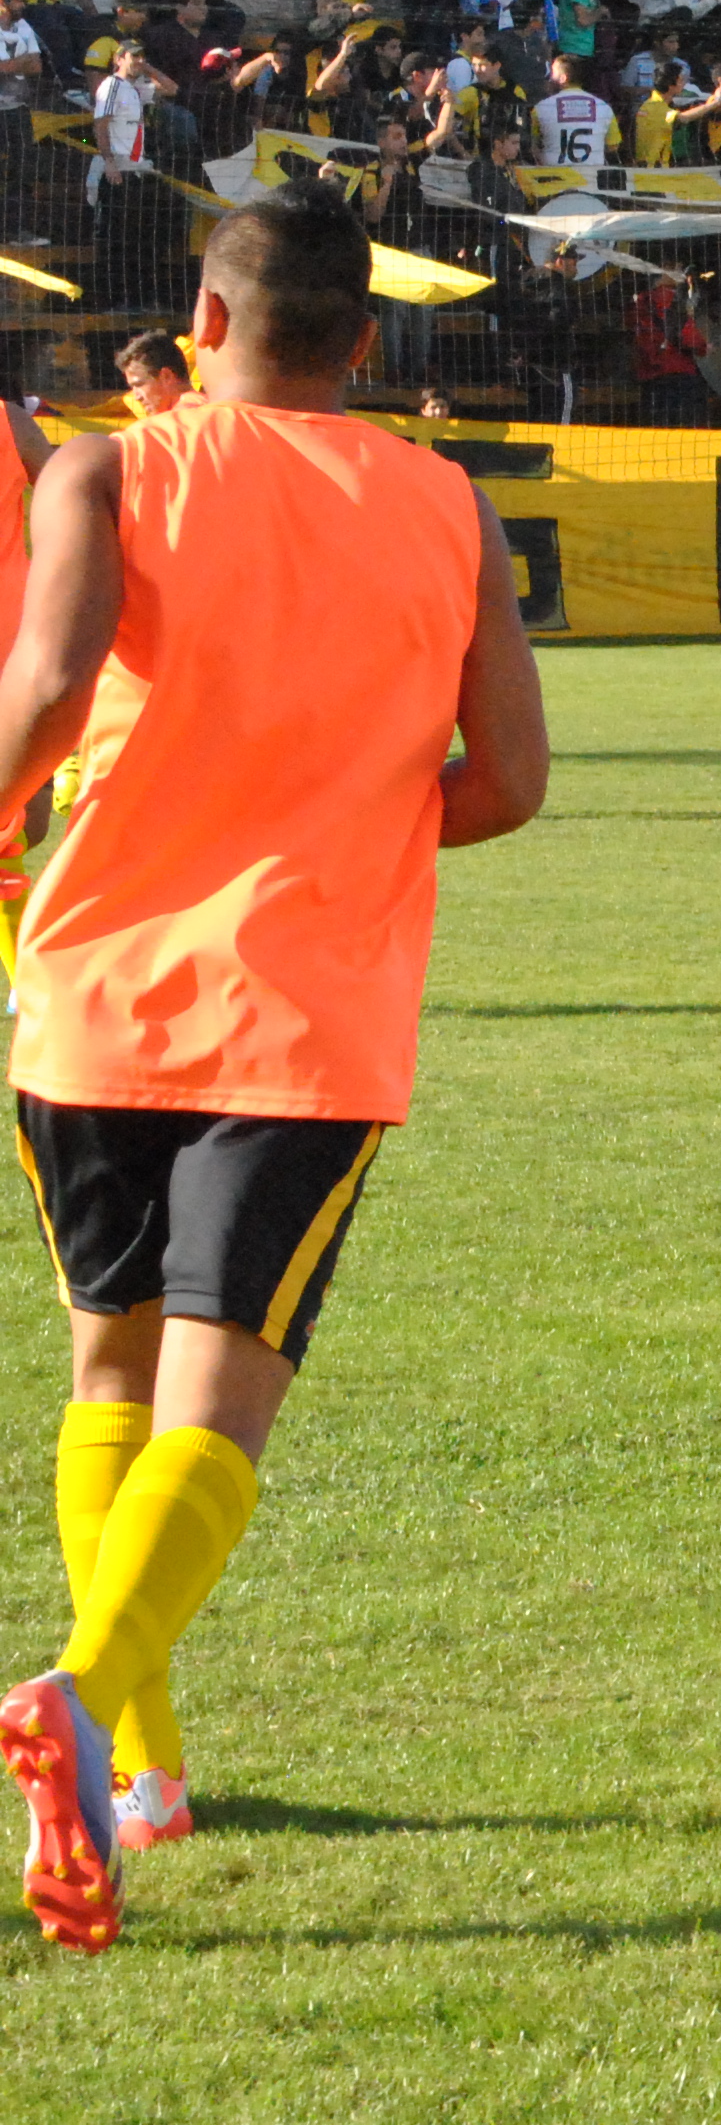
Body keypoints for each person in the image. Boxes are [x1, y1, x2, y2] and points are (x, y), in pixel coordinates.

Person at [0, 182, 548, 1952]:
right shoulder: (447, 504)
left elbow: (45, 694)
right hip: (302, 1011)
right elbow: (515, 780)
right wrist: (356, 828)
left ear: (206, 324)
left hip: (89, 993)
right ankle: (82, 1702)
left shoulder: (106, 469)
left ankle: (143, 1777)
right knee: (217, 1404)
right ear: (367, 343)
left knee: (108, 1364)